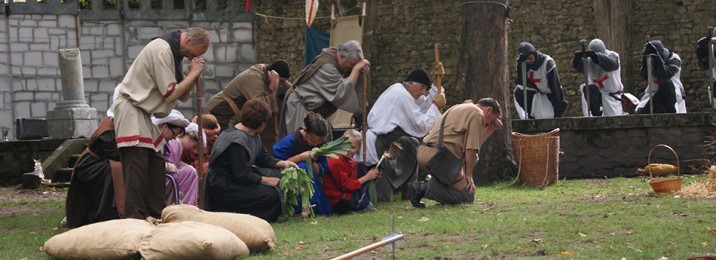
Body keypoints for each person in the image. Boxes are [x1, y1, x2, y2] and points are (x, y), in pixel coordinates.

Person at [113, 27, 209, 219]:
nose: (191, 57)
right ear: (188, 40)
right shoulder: (161, 49)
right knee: (137, 168)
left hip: (143, 114)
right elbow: (171, 93)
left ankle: (156, 214)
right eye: (192, 53)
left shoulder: (174, 54)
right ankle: (135, 218)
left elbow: (182, 96)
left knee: (156, 163)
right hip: (131, 109)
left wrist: (192, 74)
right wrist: (193, 74)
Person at [357, 67, 445, 202]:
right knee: (383, 193)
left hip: (386, 143)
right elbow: (420, 123)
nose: (422, 93)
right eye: (421, 88)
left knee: (413, 145)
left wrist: (435, 85)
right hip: (377, 145)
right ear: (410, 83)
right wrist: (435, 104)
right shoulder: (400, 94)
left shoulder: (403, 92)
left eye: (425, 89)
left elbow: (421, 106)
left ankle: (409, 192)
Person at [205, 99, 298, 222]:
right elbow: (241, 174)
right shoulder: (236, 142)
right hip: (225, 187)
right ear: (261, 124)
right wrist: (267, 180)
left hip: (237, 180)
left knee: (278, 175)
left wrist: (283, 163)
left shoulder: (253, 135)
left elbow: (262, 157)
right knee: (271, 194)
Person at [409, 98, 503, 207]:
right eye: (491, 121)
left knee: (472, 161)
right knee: (467, 196)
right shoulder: (478, 114)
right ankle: (423, 188)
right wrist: (468, 175)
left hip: (426, 152)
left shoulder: (460, 107)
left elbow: (474, 142)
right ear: (488, 110)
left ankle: (430, 185)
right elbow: (471, 149)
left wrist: (491, 129)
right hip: (439, 157)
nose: (488, 124)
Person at [279, 40, 370, 136]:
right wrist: (356, 69)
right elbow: (341, 94)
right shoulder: (327, 66)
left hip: (314, 111)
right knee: (301, 143)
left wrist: (361, 70)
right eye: (352, 65)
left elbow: (349, 82)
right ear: (342, 56)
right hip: (301, 107)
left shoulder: (337, 61)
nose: (352, 68)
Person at [205, 60, 291, 151]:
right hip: (220, 112)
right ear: (273, 75)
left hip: (234, 117)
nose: (281, 86)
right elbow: (262, 109)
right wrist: (272, 89)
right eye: (280, 81)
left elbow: (292, 90)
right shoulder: (253, 78)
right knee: (223, 148)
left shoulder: (270, 75)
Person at [65, 117, 123, 228]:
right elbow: (114, 153)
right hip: (89, 166)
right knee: (113, 173)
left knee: (116, 170)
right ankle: (106, 214)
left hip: (99, 163)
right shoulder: (107, 129)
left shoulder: (114, 125)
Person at [273, 112, 333, 216]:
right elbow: (277, 163)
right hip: (291, 181)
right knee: (303, 167)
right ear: (305, 131)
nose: (315, 144)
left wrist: (312, 161)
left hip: (313, 181)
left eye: (318, 142)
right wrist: (300, 157)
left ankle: (314, 207)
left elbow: (322, 170)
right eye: (312, 140)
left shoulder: (321, 145)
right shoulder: (291, 141)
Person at [324, 129, 381, 214]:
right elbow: (345, 185)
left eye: (353, 147)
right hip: (338, 199)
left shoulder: (350, 160)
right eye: (346, 145)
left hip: (346, 194)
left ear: (359, 148)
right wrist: (366, 178)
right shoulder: (336, 160)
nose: (348, 149)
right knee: (364, 203)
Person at [514, 42, 568, 119]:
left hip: (550, 95)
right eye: (527, 60)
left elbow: (555, 86)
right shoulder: (525, 65)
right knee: (518, 91)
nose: (530, 61)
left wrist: (559, 109)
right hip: (537, 93)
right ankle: (531, 114)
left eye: (531, 58)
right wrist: (520, 67)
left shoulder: (547, 62)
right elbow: (520, 81)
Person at [571, 39, 625, 117]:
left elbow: (611, 64)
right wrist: (577, 59)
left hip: (612, 98)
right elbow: (577, 68)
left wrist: (595, 56)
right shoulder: (587, 60)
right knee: (588, 88)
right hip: (596, 97)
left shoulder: (613, 55)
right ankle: (596, 113)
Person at [636, 40, 687, 114]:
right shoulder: (650, 59)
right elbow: (644, 75)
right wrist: (645, 59)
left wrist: (657, 58)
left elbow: (665, 74)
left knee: (665, 82)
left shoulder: (674, 58)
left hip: (671, 93)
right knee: (640, 113)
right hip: (654, 92)